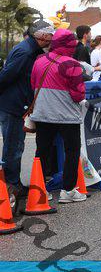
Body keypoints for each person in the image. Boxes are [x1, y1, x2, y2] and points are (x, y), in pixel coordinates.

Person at [0, 19, 55, 198]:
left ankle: (13, 184)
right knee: (13, 147)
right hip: (14, 106)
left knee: (15, 146)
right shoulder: (26, 52)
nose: (52, 39)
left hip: (15, 104)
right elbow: (6, 76)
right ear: (42, 36)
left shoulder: (29, 49)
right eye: (50, 35)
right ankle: (11, 187)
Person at [31, 29, 86, 203]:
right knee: (71, 151)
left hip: (42, 113)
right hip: (66, 115)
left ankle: (40, 190)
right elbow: (78, 95)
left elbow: (32, 83)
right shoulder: (71, 63)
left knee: (42, 151)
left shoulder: (39, 60)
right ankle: (68, 191)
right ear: (70, 45)